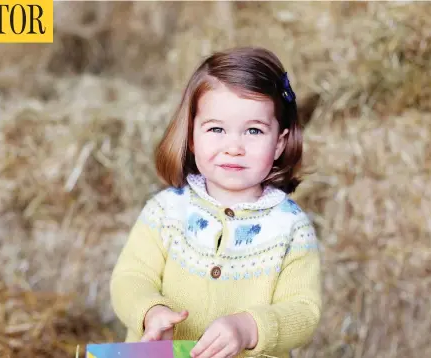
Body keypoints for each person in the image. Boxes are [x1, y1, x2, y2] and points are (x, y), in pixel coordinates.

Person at [110, 47, 322, 358]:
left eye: (253, 130)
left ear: (278, 143)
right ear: (192, 137)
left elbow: (304, 310)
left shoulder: (290, 227)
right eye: (216, 129)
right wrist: (150, 311)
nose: (233, 147)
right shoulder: (166, 212)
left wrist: (249, 327)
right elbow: (130, 277)